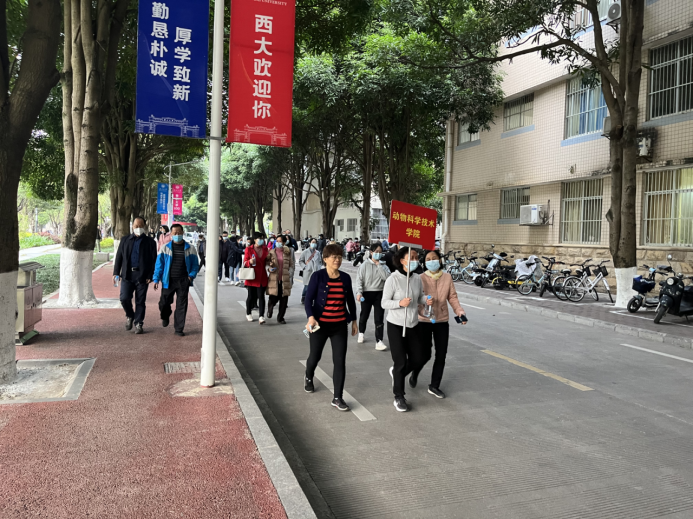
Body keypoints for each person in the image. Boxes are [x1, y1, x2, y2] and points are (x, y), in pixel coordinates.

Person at [304, 243, 358, 412]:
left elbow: (350, 301)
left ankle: (337, 397)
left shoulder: (345, 278)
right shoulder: (318, 276)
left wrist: (354, 320)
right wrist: (311, 317)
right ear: (325, 259)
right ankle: (308, 376)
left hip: (339, 326)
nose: (337, 260)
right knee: (315, 356)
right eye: (334, 257)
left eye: (340, 257)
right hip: (320, 325)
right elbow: (309, 299)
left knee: (339, 361)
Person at [381, 247, 432, 412]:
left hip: (413, 324)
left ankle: (397, 373)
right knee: (401, 361)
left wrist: (426, 299)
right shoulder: (393, 279)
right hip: (396, 325)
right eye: (412, 257)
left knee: (419, 357)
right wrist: (399, 303)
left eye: (417, 257)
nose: (415, 260)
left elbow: (418, 297)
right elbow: (384, 302)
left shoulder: (417, 278)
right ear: (402, 260)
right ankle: (399, 396)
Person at [411, 250, 467, 399]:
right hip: (424, 320)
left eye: (434, 258)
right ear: (424, 262)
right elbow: (415, 298)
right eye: (428, 259)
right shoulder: (419, 278)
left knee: (441, 355)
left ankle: (434, 386)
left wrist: (459, 311)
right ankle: (415, 372)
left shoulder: (447, 277)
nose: (431, 261)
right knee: (424, 354)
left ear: (440, 260)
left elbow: (452, 297)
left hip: (441, 320)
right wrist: (422, 304)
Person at [153, 224, 199, 336]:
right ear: (171, 234)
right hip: (168, 281)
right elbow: (159, 265)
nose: (177, 235)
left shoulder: (190, 248)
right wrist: (156, 279)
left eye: (179, 232)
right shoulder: (165, 248)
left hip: (184, 281)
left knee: (181, 305)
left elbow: (195, 265)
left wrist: (191, 276)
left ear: (183, 233)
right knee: (164, 303)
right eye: (175, 233)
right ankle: (165, 316)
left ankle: (179, 329)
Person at [113, 217, 157, 334]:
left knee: (140, 301)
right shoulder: (125, 240)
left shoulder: (150, 242)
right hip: (127, 275)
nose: (138, 228)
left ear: (144, 227)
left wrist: (151, 275)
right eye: (136, 226)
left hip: (142, 276)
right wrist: (116, 272)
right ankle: (130, 315)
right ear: (132, 226)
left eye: (140, 226)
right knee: (124, 298)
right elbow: (119, 257)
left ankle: (139, 323)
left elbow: (154, 260)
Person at [355, 244, 390, 351]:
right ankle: (361, 332)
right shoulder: (364, 265)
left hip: (379, 293)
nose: (378, 254)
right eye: (376, 251)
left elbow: (387, 278)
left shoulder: (384, 266)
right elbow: (359, 280)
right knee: (364, 315)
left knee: (379, 318)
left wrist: (379, 266)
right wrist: (359, 292)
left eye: (380, 252)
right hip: (366, 293)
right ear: (371, 252)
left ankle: (379, 340)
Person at [266, 234, 295, 324]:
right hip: (274, 278)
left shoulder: (287, 252)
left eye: (280, 241)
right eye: (277, 241)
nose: (278, 243)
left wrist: (289, 273)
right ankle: (270, 309)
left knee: (284, 299)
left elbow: (292, 265)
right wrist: (269, 268)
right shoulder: (271, 252)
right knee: (273, 297)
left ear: (284, 242)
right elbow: (266, 263)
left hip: (284, 279)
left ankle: (281, 317)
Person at [243, 232, 269, 323]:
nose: (261, 240)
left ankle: (261, 316)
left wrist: (270, 265)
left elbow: (267, 262)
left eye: (262, 238)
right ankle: (248, 313)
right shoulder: (248, 249)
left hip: (262, 276)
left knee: (261, 296)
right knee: (251, 296)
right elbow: (245, 262)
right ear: (254, 239)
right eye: (260, 238)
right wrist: (249, 262)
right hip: (252, 276)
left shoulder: (265, 249)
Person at [299, 238, 322, 304]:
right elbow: (301, 261)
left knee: (314, 286)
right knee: (307, 286)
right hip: (308, 271)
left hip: (316, 271)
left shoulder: (318, 253)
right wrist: (305, 267)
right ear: (309, 243)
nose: (314, 244)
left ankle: (312, 298)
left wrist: (319, 267)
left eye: (315, 242)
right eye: (312, 242)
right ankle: (304, 297)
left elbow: (320, 261)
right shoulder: (305, 252)